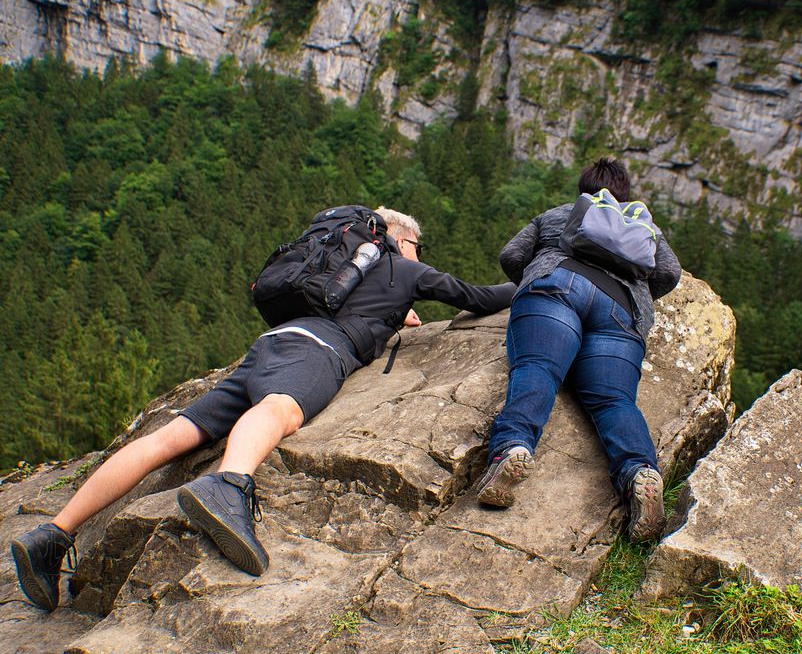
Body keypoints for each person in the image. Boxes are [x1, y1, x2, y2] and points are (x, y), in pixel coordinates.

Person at [11, 207, 515, 611]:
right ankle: (229, 485)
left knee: (172, 437)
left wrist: (392, 317)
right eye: (417, 246)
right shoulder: (400, 265)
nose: (417, 254)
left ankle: (53, 535)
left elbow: (359, 306)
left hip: (269, 344)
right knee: (282, 409)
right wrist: (545, 276)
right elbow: (477, 296)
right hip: (318, 349)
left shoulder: (336, 267)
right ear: (400, 239)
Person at [475, 158, 681, 542]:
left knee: (538, 368)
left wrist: (536, 277)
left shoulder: (560, 213)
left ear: (584, 188)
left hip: (559, 285)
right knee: (615, 401)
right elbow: (669, 273)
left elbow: (511, 255)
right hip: (620, 311)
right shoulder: (643, 225)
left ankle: (513, 449)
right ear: (625, 193)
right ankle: (640, 471)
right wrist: (636, 294)